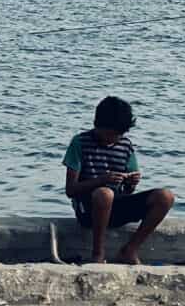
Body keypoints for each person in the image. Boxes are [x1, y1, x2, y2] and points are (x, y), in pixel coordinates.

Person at [62, 96, 175, 264]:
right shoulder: (80, 143)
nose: (114, 139)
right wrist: (101, 180)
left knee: (165, 196)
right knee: (104, 193)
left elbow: (127, 192)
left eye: (118, 134)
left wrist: (130, 183)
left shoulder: (125, 146)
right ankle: (98, 254)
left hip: (116, 206)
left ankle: (129, 250)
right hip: (88, 210)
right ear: (97, 125)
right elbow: (71, 190)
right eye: (109, 134)